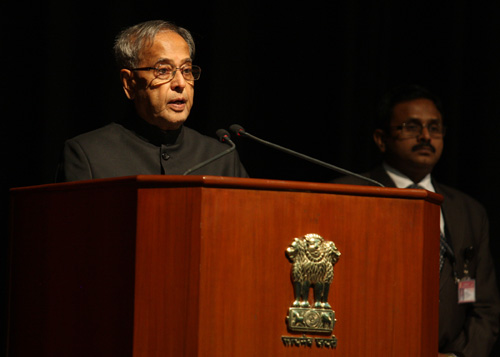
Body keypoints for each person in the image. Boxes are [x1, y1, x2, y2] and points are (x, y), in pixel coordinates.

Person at [334, 84, 500, 357]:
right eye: (412, 127)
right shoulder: (347, 196)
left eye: (434, 128)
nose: (425, 136)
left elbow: (485, 306)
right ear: (381, 138)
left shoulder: (469, 211)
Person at [57, 20, 247, 182]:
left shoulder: (221, 158)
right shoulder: (88, 155)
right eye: (163, 70)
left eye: (186, 70)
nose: (180, 83)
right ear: (129, 83)